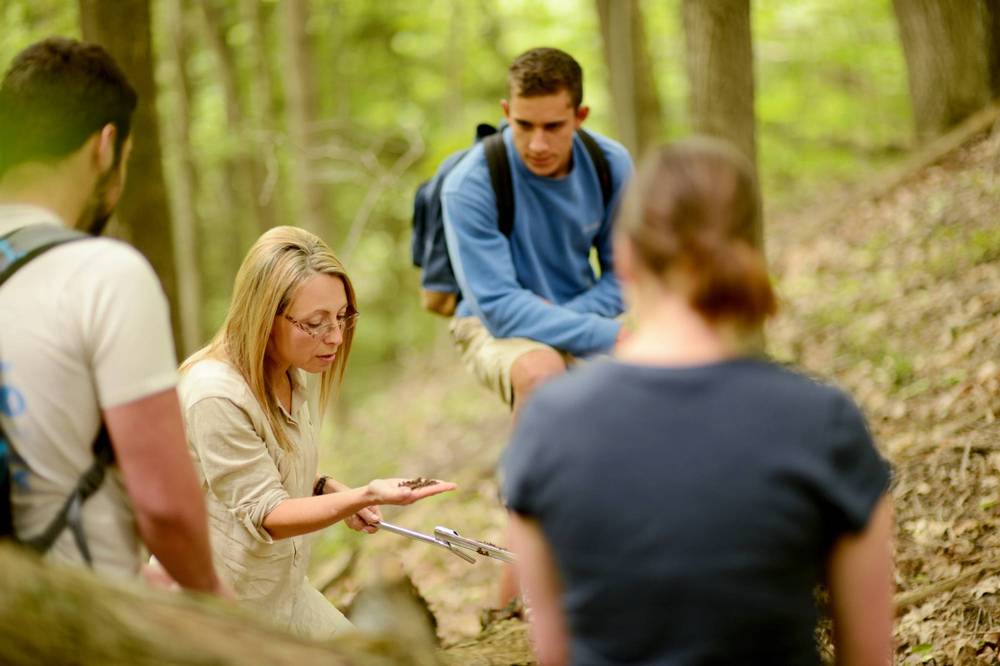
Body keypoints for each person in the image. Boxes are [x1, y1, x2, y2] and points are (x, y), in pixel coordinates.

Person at [502, 139, 893, 665]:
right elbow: (868, 656)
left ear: (624, 256)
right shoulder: (824, 423)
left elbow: (554, 652)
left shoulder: (548, 424)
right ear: (750, 251)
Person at [0, 37, 225, 595]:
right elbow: (165, 509)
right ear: (105, 147)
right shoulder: (104, 275)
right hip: (78, 621)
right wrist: (215, 603)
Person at [178, 225, 456, 640]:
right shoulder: (214, 395)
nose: (336, 337)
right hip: (224, 614)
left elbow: (269, 469)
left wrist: (327, 489)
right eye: (316, 322)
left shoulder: (292, 371)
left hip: (285, 594)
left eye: (342, 317)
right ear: (264, 316)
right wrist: (364, 496)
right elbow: (267, 515)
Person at [442, 47, 633, 417]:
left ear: (579, 117)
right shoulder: (468, 185)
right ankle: (528, 477)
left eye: (553, 127)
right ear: (506, 113)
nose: (538, 145)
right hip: (488, 323)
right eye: (524, 126)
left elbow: (626, 277)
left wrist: (566, 318)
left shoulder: (611, 164)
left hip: (581, 309)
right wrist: (610, 335)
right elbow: (499, 308)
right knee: (542, 373)